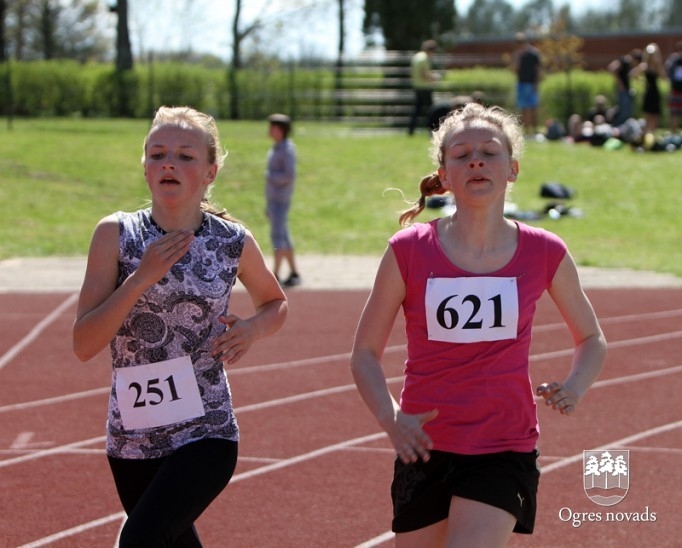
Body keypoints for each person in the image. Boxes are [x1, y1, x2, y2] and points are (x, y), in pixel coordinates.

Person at [350, 102, 606, 547]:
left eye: (489, 152)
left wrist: (575, 386)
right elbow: (364, 354)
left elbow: (592, 338)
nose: (476, 160)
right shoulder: (408, 250)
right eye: (461, 153)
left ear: (513, 169)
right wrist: (392, 419)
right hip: (424, 444)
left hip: (504, 445)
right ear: (444, 175)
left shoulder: (544, 251)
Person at [72, 106, 288, 546]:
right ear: (146, 168)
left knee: (139, 541)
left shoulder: (232, 240)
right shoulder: (115, 235)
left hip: (206, 428)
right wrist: (139, 279)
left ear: (210, 171)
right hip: (132, 435)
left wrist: (252, 329)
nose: (169, 162)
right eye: (158, 154)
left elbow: (275, 303)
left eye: (185, 156)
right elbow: (83, 343)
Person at [265, 113, 301, 287]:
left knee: (278, 237)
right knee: (284, 237)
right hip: (274, 200)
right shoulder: (277, 147)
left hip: (281, 200)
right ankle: (294, 272)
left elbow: (289, 175)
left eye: (272, 127)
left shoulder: (286, 149)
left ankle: (275, 275)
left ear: (280, 130)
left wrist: (271, 176)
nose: (269, 130)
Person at [630, 43, 665, 133]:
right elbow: (632, 74)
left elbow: (664, 77)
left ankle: (651, 134)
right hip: (648, 92)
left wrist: (658, 64)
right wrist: (643, 82)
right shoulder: (644, 66)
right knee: (648, 115)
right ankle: (646, 133)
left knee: (656, 115)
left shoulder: (657, 66)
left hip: (655, 92)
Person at [408, 40, 440, 136]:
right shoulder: (424, 59)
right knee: (431, 111)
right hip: (425, 87)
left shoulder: (416, 57)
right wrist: (434, 77)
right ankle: (432, 130)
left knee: (417, 110)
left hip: (417, 86)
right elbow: (424, 74)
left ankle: (411, 131)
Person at [512, 32, 542, 136]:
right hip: (522, 84)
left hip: (531, 84)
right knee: (523, 108)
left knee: (532, 108)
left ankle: (534, 131)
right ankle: (526, 131)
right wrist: (517, 58)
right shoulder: (518, 55)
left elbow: (538, 70)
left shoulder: (534, 54)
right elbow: (515, 70)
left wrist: (536, 84)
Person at [608, 48, 642, 126]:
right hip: (622, 90)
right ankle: (618, 126)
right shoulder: (624, 60)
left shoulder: (627, 64)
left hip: (626, 89)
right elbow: (612, 68)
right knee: (624, 110)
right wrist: (620, 84)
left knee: (627, 109)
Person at [665, 40, 682, 133]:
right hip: (676, 90)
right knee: (674, 113)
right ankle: (673, 131)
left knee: (674, 113)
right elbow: (668, 73)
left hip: (676, 90)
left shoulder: (673, 60)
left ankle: (673, 131)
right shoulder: (674, 60)